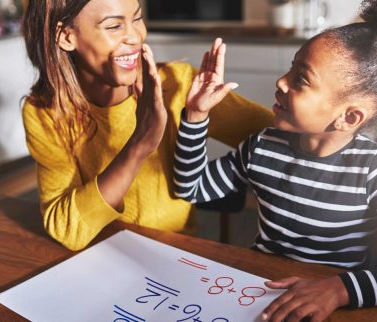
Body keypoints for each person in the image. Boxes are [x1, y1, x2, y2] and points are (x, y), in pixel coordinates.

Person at [173, 0, 377, 321]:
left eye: (301, 79)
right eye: (291, 66)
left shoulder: (375, 168)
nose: (281, 81)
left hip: (337, 302)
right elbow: (193, 189)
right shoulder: (262, 146)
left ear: (349, 116)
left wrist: (338, 290)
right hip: (264, 289)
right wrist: (196, 115)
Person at [21, 0, 273, 251]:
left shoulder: (179, 85)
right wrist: (140, 144)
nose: (135, 36)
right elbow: (67, 229)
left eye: (138, 19)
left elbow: (288, 137)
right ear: (66, 37)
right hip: (97, 253)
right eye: (114, 26)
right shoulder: (45, 112)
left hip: (175, 252)